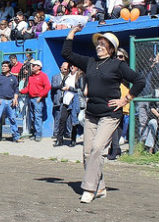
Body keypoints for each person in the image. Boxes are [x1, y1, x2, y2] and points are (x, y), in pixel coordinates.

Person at [62, 25, 145, 203]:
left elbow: (139, 81)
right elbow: (67, 55)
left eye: (103, 44)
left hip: (110, 114)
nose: (99, 46)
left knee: (98, 148)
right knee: (86, 153)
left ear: (111, 49)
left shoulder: (118, 65)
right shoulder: (90, 62)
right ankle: (100, 187)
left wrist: (126, 99)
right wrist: (71, 33)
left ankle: (89, 189)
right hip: (91, 114)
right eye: (98, 43)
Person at [0, 60, 21, 144]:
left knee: (13, 119)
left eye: (5, 66)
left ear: (9, 68)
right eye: (2, 66)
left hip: (10, 101)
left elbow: (16, 90)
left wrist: (15, 99)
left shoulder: (13, 78)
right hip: (0, 100)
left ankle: (16, 137)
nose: (3, 67)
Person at [55, 64, 85, 147]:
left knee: (74, 121)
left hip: (75, 101)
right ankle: (59, 140)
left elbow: (81, 89)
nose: (72, 67)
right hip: (66, 101)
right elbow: (62, 86)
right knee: (62, 120)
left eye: (74, 66)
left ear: (77, 67)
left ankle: (73, 140)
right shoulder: (67, 76)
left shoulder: (80, 76)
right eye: (71, 65)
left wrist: (69, 88)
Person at [20, 60, 50, 142]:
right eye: (32, 66)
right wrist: (20, 91)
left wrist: (40, 96)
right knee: (32, 117)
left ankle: (38, 135)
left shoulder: (43, 76)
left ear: (39, 67)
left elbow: (47, 87)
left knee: (37, 117)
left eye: (34, 65)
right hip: (30, 98)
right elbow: (28, 88)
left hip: (38, 100)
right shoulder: (31, 77)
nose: (32, 67)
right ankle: (34, 133)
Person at [51, 62, 69, 138]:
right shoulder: (55, 77)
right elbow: (53, 86)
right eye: (63, 67)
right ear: (60, 67)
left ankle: (67, 133)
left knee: (67, 118)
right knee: (57, 117)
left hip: (67, 100)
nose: (64, 69)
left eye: (66, 68)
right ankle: (56, 133)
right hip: (58, 99)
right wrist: (61, 85)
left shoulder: (70, 77)